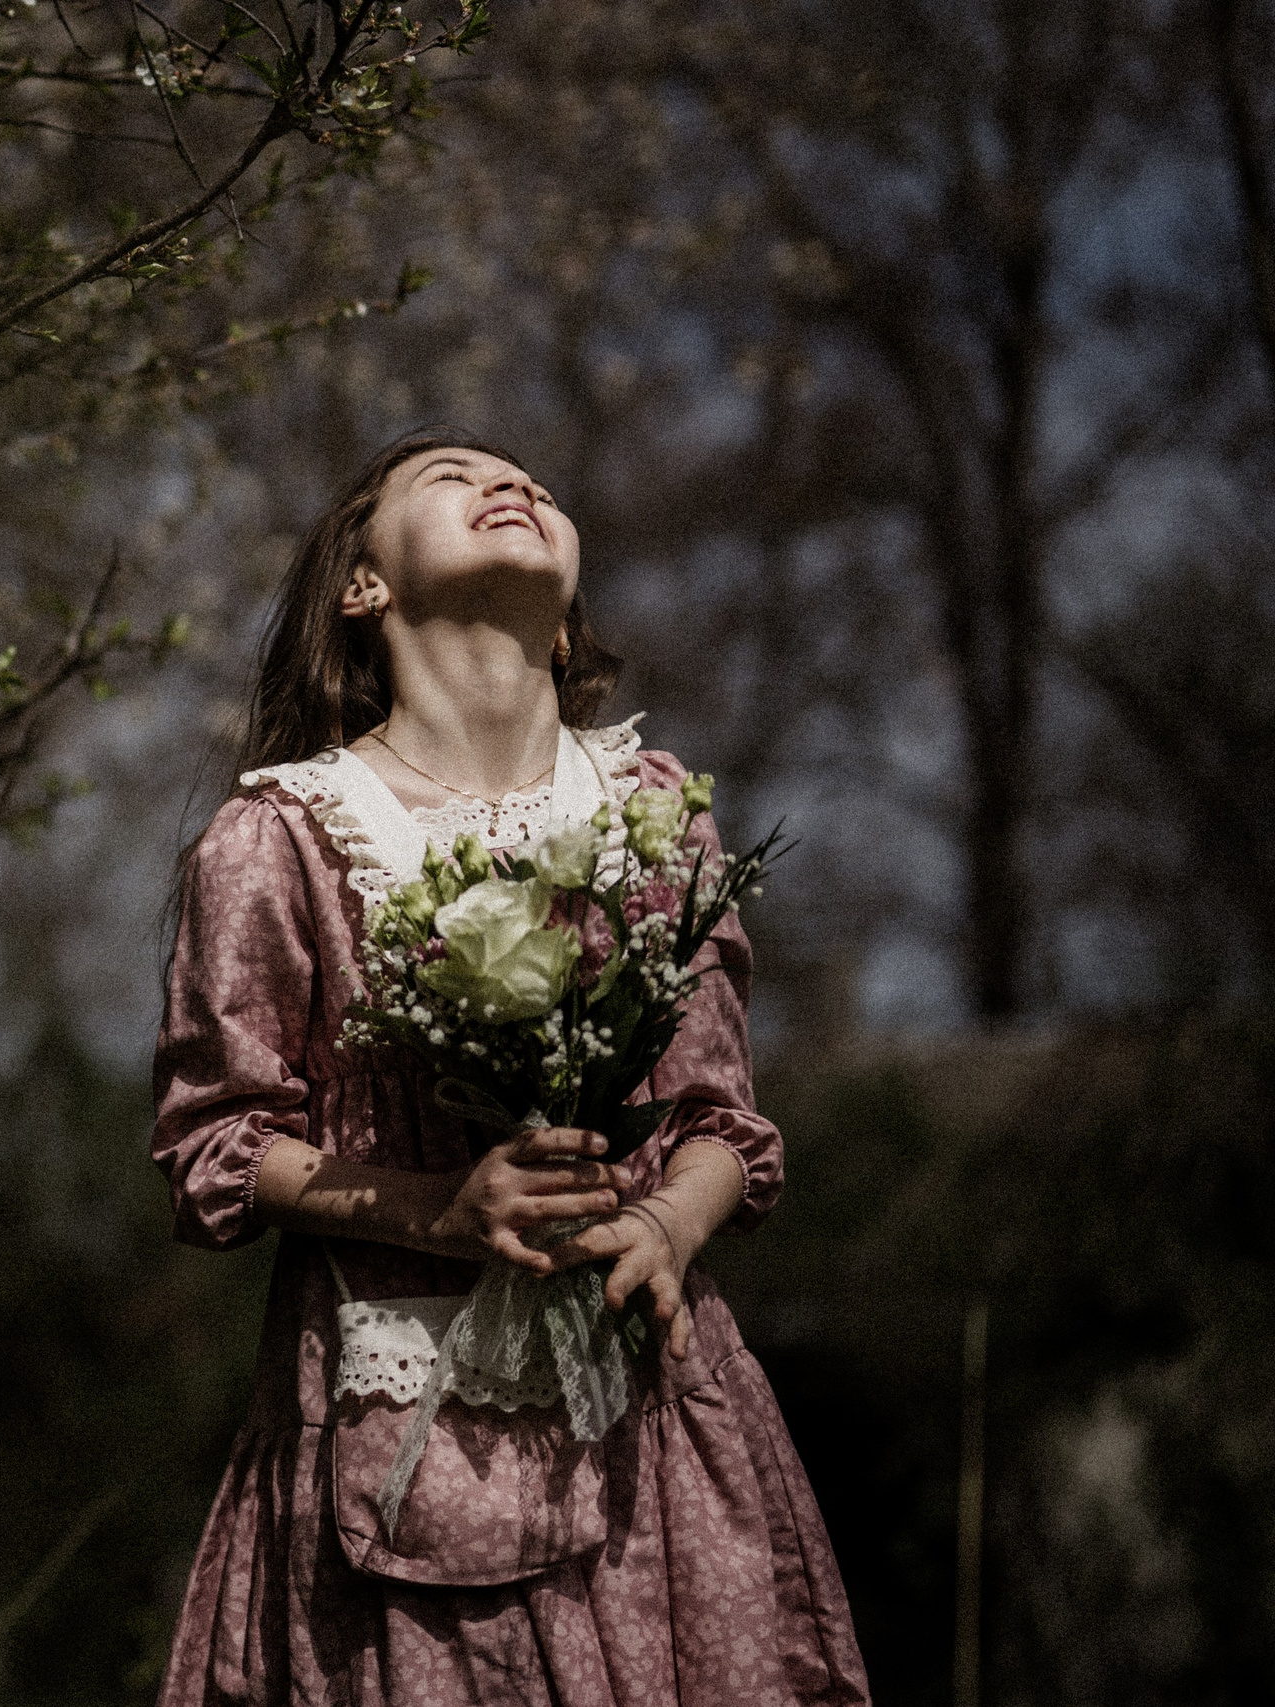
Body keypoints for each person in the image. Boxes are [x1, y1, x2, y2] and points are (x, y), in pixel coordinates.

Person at [150, 433, 871, 1706]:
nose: (517, 484)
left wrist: (664, 1222)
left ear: (568, 615)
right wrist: (444, 1212)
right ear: (360, 589)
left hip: (659, 1445)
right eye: (446, 477)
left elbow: (719, 1120)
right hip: (402, 1454)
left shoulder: (656, 809)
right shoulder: (278, 838)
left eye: (534, 480)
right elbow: (217, 1147)